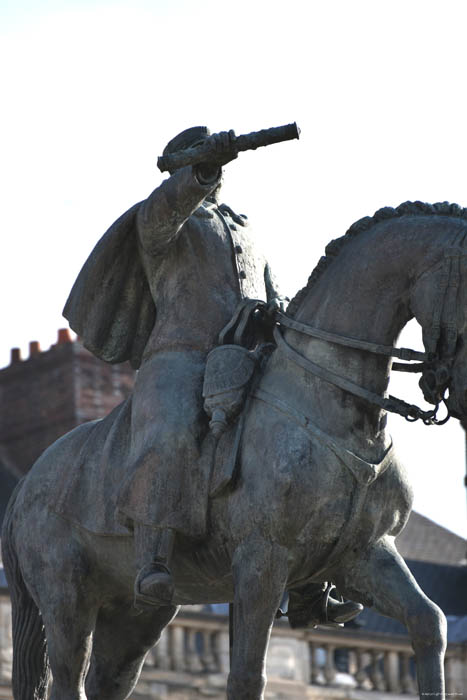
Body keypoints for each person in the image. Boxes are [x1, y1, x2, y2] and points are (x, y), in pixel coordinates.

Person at [64, 126, 362, 626]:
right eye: (203, 163)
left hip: (250, 354)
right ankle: (152, 558)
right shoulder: (163, 217)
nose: (215, 172)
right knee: (173, 431)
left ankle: (312, 588)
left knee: (302, 442)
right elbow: (166, 210)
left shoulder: (242, 228)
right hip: (181, 354)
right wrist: (197, 172)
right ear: (186, 166)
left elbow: (273, 294)